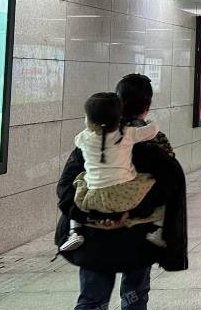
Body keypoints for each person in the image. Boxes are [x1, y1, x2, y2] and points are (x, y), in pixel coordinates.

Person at [45, 74, 188, 310]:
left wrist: (93, 214)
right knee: (134, 294)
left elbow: (66, 189)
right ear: (147, 105)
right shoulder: (151, 143)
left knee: (91, 301)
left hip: (94, 238)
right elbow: (169, 186)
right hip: (135, 239)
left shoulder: (90, 139)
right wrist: (130, 212)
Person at [59, 92, 164, 253]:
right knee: (155, 186)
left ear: (89, 120)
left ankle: (75, 232)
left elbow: (65, 185)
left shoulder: (82, 138)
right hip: (126, 196)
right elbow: (153, 130)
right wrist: (150, 122)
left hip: (92, 199)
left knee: (81, 179)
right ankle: (157, 230)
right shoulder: (127, 134)